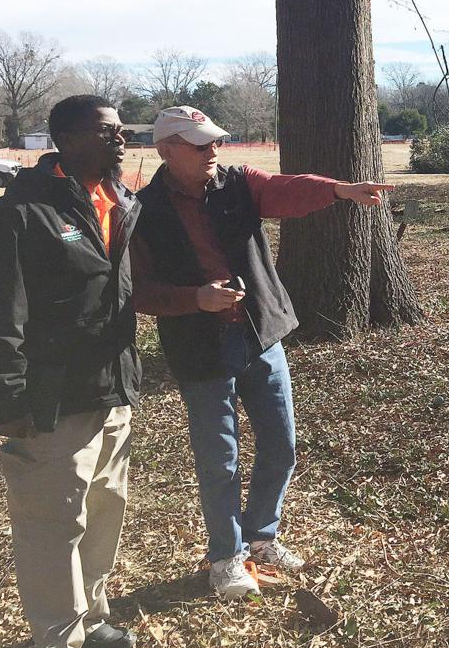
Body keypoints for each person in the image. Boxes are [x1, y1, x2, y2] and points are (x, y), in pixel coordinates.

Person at [131, 106, 392, 600]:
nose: (212, 150)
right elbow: (138, 291)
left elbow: (284, 189)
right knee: (219, 458)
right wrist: (195, 300)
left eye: (213, 141)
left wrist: (338, 190)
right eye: (197, 143)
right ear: (165, 150)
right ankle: (226, 557)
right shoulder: (142, 210)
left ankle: (261, 536)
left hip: (260, 336)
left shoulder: (236, 183)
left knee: (280, 446)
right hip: (200, 348)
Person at [0, 96, 142, 648]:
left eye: (120, 130)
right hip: (50, 401)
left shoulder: (123, 201)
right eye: (104, 131)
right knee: (51, 525)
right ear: (64, 138)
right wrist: (7, 397)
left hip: (111, 390)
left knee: (103, 515)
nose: (119, 139)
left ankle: (91, 619)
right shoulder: (22, 211)